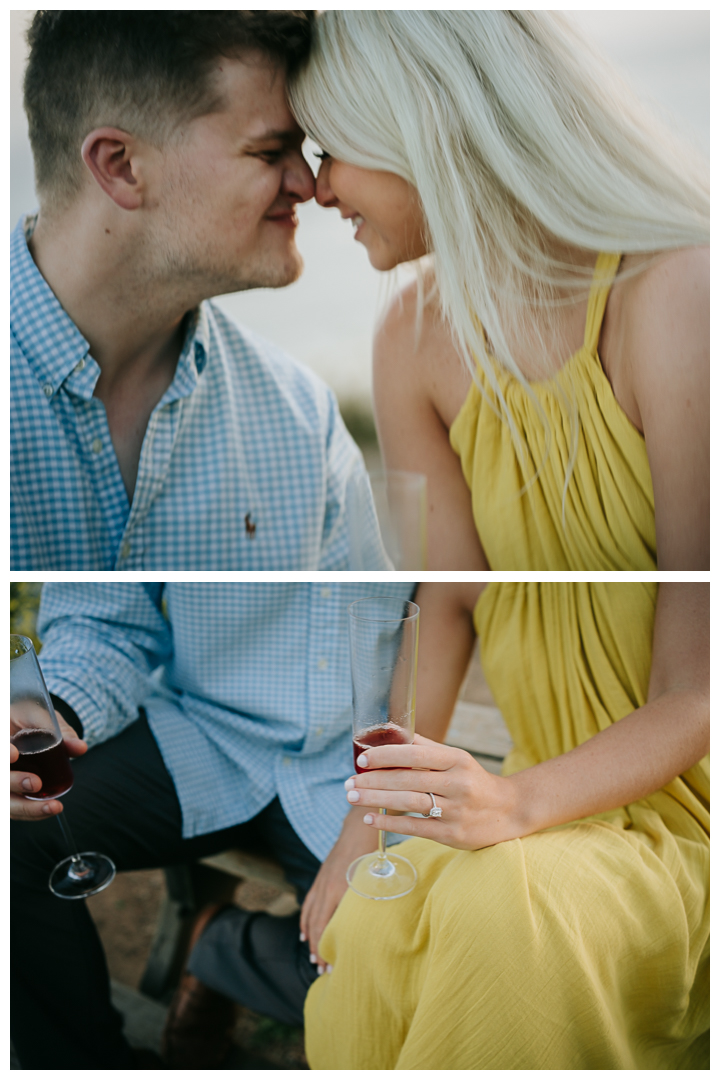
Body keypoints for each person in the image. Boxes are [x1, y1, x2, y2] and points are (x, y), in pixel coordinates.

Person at [289, 10, 709, 572]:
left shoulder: (678, 295)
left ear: (426, 120)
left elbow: (701, 626)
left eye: (331, 151)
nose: (318, 192)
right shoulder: (408, 337)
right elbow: (444, 598)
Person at [11, 11, 386, 571]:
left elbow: (370, 644)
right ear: (121, 166)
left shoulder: (304, 428)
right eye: (268, 151)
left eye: (302, 151)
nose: (308, 185)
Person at [10, 580, 434, 1069]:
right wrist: (56, 710)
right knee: (13, 829)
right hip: (203, 733)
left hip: (348, 753)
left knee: (394, 955)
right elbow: (105, 617)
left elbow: (435, 612)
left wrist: (364, 821)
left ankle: (220, 949)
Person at [301, 580, 710, 1069]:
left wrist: (511, 800)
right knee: (380, 910)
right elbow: (447, 604)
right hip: (532, 770)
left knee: (500, 916)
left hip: (676, 803)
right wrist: (365, 828)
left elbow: (697, 693)